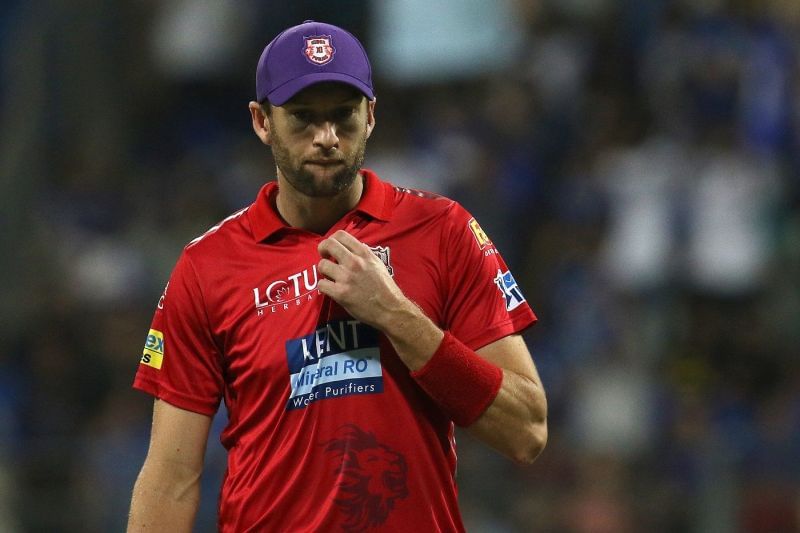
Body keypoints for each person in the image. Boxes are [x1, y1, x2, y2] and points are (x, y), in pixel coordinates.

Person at [127, 20, 547, 532]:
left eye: (343, 116)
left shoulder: (444, 232)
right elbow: (170, 478)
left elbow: (527, 432)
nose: (326, 138)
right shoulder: (207, 267)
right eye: (303, 118)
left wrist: (396, 316)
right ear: (262, 122)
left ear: (370, 116)